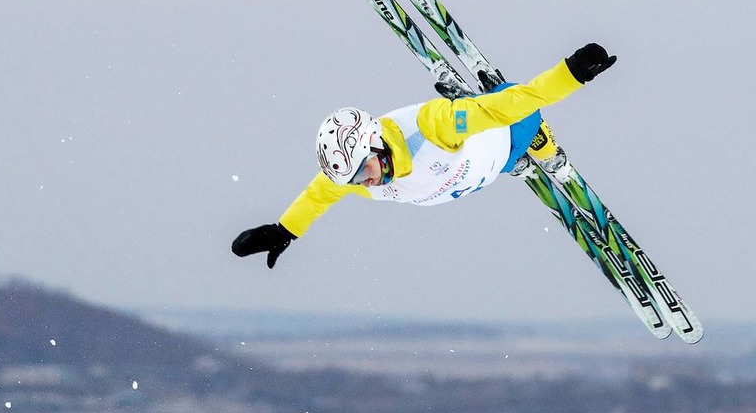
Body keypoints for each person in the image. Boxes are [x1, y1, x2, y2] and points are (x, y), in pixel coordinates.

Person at [232, 43, 617, 268]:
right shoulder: (352, 175)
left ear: (374, 143)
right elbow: (318, 195)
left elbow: (514, 105)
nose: (365, 183)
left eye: (363, 172)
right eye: (354, 180)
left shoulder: (433, 126)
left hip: (501, 137)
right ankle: (494, 137)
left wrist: (572, 74)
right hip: (480, 170)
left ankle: (547, 151)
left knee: (516, 106)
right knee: (493, 149)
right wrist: (285, 230)